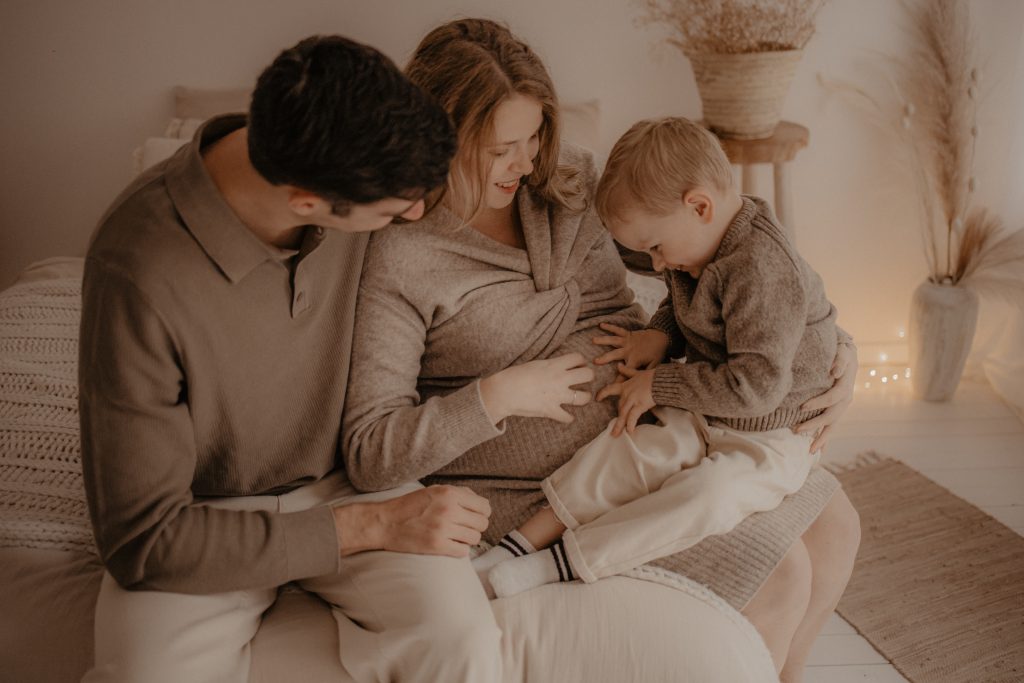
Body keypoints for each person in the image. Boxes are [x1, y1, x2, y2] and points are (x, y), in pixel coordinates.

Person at [341, 18, 861, 681]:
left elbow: (713, 255)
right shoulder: (404, 256)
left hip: (664, 435)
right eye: (503, 147)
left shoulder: (564, 184)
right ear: (437, 137)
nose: (526, 162)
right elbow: (371, 448)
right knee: (781, 572)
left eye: (534, 138)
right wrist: (496, 394)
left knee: (837, 526)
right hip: (538, 496)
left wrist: (834, 350)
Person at [78, 35, 502, 683]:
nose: (417, 215)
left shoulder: (354, 156)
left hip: (353, 473)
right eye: (395, 212)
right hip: (203, 516)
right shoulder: (136, 269)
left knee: (463, 640)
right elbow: (143, 541)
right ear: (306, 205)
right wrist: (368, 525)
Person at [480, 115, 844, 609]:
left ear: (698, 206)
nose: (655, 265)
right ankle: (515, 546)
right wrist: (660, 333)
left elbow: (757, 387)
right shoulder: (702, 243)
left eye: (654, 247)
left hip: (771, 432)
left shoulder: (761, 268)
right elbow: (690, 299)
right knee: (629, 451)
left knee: (707, 497)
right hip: (710, 405)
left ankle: (561, 564)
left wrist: (659, 384)